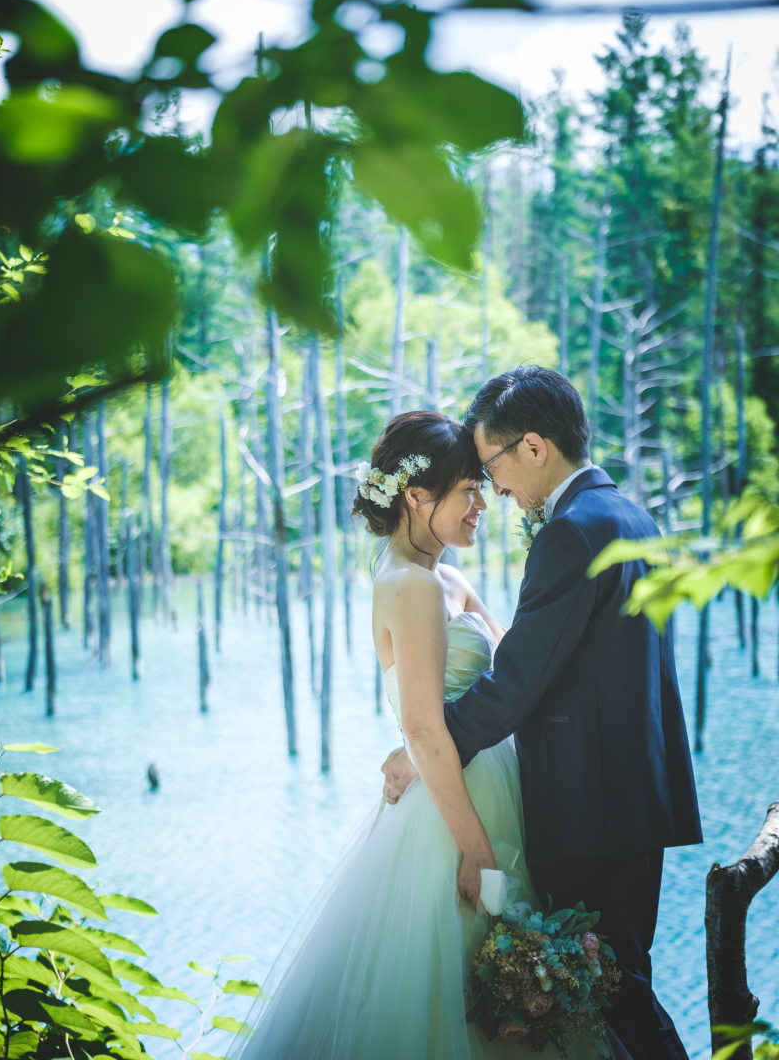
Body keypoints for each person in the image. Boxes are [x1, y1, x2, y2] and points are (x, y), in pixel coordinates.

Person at [227, 410, 630, 1060]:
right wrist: (474, 849)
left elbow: (517, 675)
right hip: (454, 814)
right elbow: (422, 726)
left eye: (481, 485)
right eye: (467, 488)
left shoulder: (446, 578)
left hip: (494, 785)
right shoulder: (409, 586)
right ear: (416, 496)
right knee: (457, 992)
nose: (482, 503)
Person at [382, 368, 703, 1060]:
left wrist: (425, 747)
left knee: (611, 990)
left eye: (491, 466)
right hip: (635, 800)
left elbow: (517, 681)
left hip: (588, 805)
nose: (493, 489)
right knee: (617, 979)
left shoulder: (570, 533)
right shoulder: (629, 516)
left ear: (532, 447)